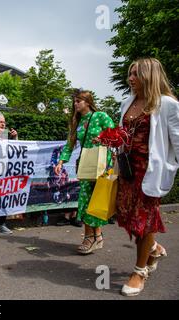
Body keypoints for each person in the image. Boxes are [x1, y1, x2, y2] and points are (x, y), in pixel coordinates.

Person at [116, 58, 178, 296]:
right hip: (127, 170)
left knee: (144, 220)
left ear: (150, 76)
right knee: (127, 217)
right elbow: (124, 133)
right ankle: (153, 248)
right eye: (130, 73)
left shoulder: (167, 104)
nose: (131, 78)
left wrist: (171, 166)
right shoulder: (126, 102)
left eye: (136, 74)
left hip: (149, 171)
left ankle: (139, 271)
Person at [54, 90, 114, 254]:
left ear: (88, 102)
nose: (75, 104)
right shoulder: (78, 122)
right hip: (86, 163)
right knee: (85, 199)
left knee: (97, 200)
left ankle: (95, 236)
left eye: (78, 101)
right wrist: (61, 161)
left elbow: (115, 134)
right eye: (74, 101)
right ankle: (93, 237)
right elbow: (70, 144)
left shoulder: (101, 116)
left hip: (102, 164)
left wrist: (102, 138)